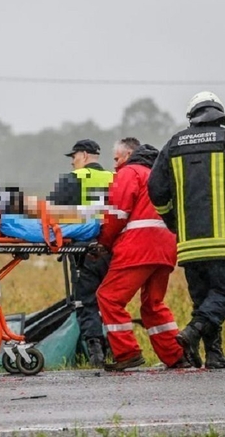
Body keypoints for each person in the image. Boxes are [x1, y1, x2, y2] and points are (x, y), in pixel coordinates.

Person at [149, 91, 225, 369]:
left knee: (203, 298)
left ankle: (214, 355)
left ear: (192, 117)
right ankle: (193, 331)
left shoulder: (173, 144)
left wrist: (172, 221)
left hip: (190, 244)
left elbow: (156, 189)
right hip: (223, 241)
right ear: (219, 114)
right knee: (224, 295)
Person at [95, 139, 188, 371]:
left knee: (109, 297)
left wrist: (103, 242)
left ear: (128, 155)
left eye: (116, 159)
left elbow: (117, 214)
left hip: (138, 248)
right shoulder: (163, 175)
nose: (115, 166)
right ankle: (176, 355)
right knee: (153, 304)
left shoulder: (130, 173)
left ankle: (127, 353)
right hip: (165, 248)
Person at [47, 138, 114, 367]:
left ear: (84, 156)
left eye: (74, 157)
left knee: (87, 301)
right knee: (113, 301)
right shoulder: (114, 178)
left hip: (85, 251)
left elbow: (52, 215)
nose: (72, 163)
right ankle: (117, 349)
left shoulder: (73, 179)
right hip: (112, 250)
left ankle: (96, 352)